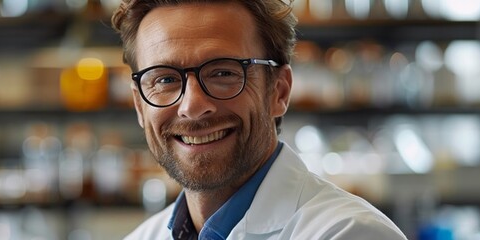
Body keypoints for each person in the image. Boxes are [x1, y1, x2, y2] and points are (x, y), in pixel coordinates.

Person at [110, 0, 407, 239]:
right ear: (139, 105)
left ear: (279, 91)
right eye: (164, 79)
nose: (192, 106)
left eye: (223, 73)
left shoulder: (350, 233)